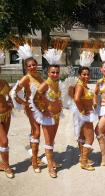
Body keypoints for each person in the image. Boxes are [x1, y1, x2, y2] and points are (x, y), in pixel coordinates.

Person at [29, 47, 64, 178]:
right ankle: (50, 167)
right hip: (48, 117)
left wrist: (59, 104)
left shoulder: (57, 83)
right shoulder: (45, 84)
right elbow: (35, 98)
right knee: (49, 141)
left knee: (52, 140)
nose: (55, 74)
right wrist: (43, 111)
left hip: (57, 116)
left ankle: (51, 160)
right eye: (53, 72)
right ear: (48, 73)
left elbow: (56, 97)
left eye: (57, 72)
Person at [10, 44, 44, 173]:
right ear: (26, 67)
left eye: (33, 65)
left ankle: (35, 156)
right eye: (29, 66)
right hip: (32, 108)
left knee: (36, 132)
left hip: (41, 108)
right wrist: (24, 103)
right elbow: (13, 92)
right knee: (36, 132)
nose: (32, 67)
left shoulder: (39, 77)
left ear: (37, 65)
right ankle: (35, 161)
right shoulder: (26, 78)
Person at [65, 50, 97, 171]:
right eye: (84, 74)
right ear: (79, 75)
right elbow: (77, 98)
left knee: (82, 137)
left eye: (87, 74)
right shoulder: (79, 85)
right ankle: (84, 161)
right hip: (85, 115)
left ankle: (83, 158)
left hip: (84, 114)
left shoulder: (83, 85)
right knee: (90, 138)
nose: (86, 76)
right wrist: (83, 111)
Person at [0, 51, 14, 178]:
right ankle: (6, 166)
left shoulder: (4, 82)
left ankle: (2, 163)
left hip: (6, 115)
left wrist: (10, 102)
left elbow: (9, 96)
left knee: (1, 141)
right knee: (4, 141)